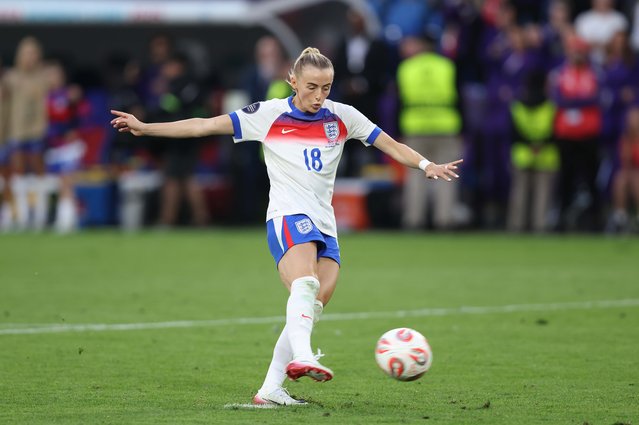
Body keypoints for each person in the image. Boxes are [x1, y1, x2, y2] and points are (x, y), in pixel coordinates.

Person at [111, 47, 462, 406]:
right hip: (288, 215)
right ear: (292, 81)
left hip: (325, 223)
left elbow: (390, 144)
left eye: (326, 87)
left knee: (314, 304)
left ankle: (270, 390)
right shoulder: (268, 114)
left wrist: (424, 165)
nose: (319, 95)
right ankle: (305, 357)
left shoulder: (343, 116)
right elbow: (204, 125)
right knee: (305, 283)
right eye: (311, 86)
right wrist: (145, 127)